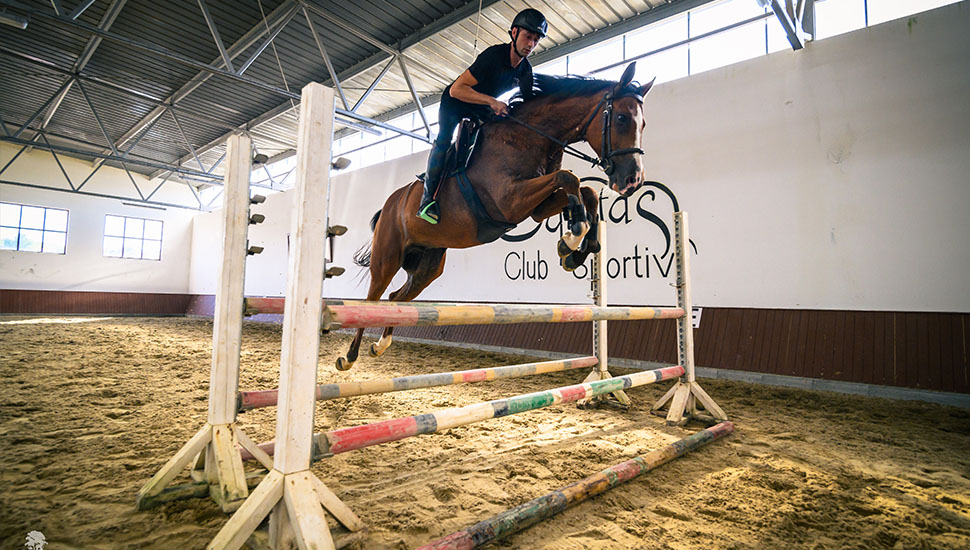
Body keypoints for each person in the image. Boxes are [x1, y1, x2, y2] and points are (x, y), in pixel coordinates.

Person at [416, 8, 548, 224]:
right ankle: (427, 200)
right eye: (528, 37)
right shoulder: (493, 56)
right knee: (443, 140)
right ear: (514, 33)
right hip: (455, 102)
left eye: (536, 40)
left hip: (481, 105)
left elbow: (528, 106)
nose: (531, 44)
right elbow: (456, 90)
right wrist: (492, 102)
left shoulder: (526, 70)